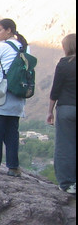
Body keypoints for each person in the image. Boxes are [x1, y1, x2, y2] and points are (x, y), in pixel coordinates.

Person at [0, 18, 30, 177]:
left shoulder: (1, 47)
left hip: (0, 94)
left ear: (9, 30)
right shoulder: (25, 47)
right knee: (12, 132)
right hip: (17, 95)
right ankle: (13, 167)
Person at [46, 33, 76, 195]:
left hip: (66, 109)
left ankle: (67, 183)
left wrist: (50, 111)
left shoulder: (64, 64)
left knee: (65, 146)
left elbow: (55, 90)